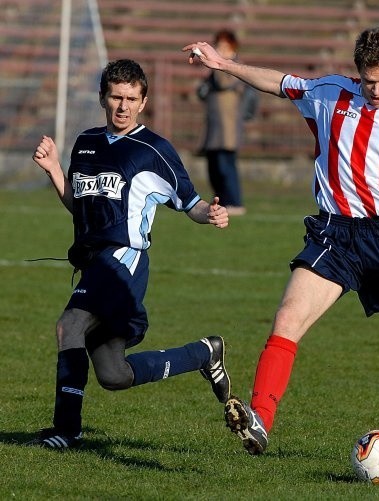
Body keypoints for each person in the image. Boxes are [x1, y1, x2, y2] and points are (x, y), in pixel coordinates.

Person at [183, 26, 379, 456]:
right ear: (357, 71)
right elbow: (279, 83)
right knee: (287, 320)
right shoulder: (330, 93)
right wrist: (224, 64)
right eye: (367, 80)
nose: (375, 90)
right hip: (334, 233)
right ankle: (259, 419)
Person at [29, 59, 231, 449]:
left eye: (131, 98)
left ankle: (65, 430)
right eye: (116, 97)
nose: (123, 106)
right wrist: (55, 170)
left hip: (124, 259)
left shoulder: (154, 150)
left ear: (143, 102)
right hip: (93, 262)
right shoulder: (85, 143)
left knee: (69, 325)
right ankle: (204, 354)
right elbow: (82, 206)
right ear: (103, 97)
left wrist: (212, 213)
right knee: (113, 374)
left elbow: (190, 203)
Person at [196, 29, 258, 216]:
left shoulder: (235, 67)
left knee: (226, 166)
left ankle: (235, 202)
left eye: (224, 46)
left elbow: (224, 83)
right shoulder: (216, 68)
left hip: (228, 126)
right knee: (214, 167)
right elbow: (203, 92)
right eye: (218, 46)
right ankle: (221, 201)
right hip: (214, 126)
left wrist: (220, 63)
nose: (220, 49)